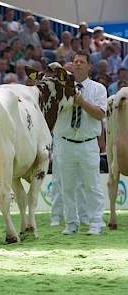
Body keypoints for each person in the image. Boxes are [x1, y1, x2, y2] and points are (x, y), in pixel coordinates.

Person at [53, 50, 107, 235]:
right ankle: (71, 223)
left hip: (88, 143)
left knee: (92, 185)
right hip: (65, 143)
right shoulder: (60, 88)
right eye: (75, 61)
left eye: (81, 61)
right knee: (66, 186)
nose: (77, 64)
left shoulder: (98, 88)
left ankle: (96, 222)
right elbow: (53, 112)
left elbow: (100, 114)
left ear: (89, 66)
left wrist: (82, 102)